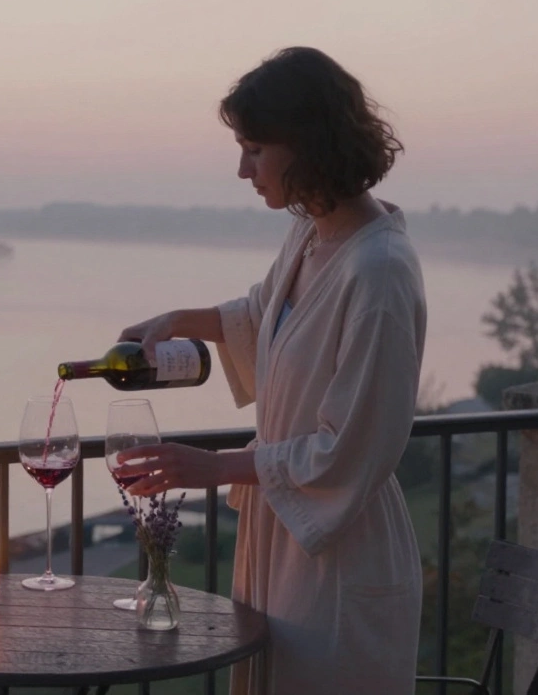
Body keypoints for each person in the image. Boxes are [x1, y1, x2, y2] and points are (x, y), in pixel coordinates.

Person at [114, 47, 425, 694]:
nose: (241, 169)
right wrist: (174, 319)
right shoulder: (312, 235)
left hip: (339, 551)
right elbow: (262, 317)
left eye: (254, 148)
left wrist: (215, 465)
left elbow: (352, 448)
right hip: (285, 534)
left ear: (307, 144)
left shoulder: (380, 272)